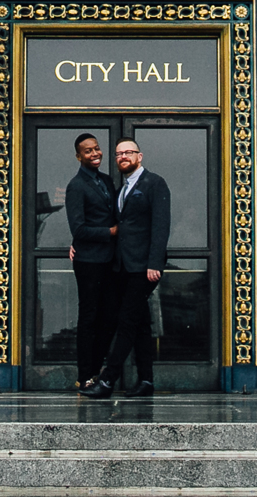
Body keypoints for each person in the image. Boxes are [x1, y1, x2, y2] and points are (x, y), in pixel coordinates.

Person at [81, 138, 170, 399]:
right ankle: (146, 380)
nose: (123, 157)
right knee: (140, 323)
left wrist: (155, 262)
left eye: (128, 153)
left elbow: (161, 225)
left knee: (127, 321)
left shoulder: (155, 183)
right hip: (123, 266)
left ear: (140, 156)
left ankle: (107, 381)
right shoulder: (121, 189)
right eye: (119, 154)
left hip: (144, 267)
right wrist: (78, 243)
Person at [63, 133, 118, 392]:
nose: (94, 153)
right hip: (88, 262)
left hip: (109, 261)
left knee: (108, 319)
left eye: (96, 149)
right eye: (88, 151)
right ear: (78, 156)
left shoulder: (106, 180)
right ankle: (84, 376)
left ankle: (97, 372)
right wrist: (110, 233)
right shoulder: (76, 185)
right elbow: (79, 229)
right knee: (89, 319)